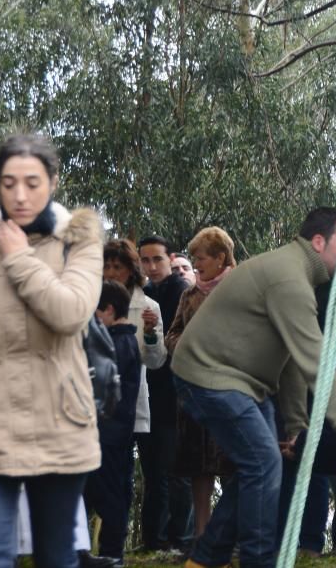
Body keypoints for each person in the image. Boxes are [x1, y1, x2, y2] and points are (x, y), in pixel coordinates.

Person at [171, 207, 336, 568]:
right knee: (263, 461)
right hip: (208, 375)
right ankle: (258, 561)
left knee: (261, 463)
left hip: (240, 383)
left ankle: (206, 559)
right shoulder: (289, 280)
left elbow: (291, 363)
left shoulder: (297, 276)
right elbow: (316, 362)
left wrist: (298, 427)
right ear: (319, 242)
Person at [0, 133, 103, 568]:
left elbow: (70, 312)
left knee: (55, 555)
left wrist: (17, 258)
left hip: (59, 421)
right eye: (9, 183)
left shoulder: (79, 241)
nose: (20, 194)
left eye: (32, 182)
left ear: (52, 182)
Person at [164, 227, 237, 538]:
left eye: (201, 258)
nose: (196, 265)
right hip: (194, 391)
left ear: (221, 257)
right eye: (192, 259)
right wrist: (187, 345)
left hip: (234, 388)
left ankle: (233, 535)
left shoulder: (241, 287)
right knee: (198, 467)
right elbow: (172, 335)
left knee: (236, 464)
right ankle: (201, 537)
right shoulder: (189, 294)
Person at [138, 234, 194, 552]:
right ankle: (153, 539)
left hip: (177, 392)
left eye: (157, 259)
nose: (152, 266)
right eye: (145, 260)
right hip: (149, 393)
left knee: (177, 470)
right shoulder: (143, 294)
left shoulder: (182, 291)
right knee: (154, 471)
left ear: (169, 259)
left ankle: (180, 539)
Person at [84, 280, 142, 565]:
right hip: (110, 432)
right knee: (101, 492)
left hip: (107, 433)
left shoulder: (117, 343)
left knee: (109, 496)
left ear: (107, 310)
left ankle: (111, 553)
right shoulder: (123, 340)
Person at [102, 240, 167, 460]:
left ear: (130, 271)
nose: (110, 273)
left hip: (130, 399)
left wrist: (149, 333)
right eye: (106, 266)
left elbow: (155, 361)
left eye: (117, 267)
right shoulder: (88, 301)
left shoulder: (149, 307)